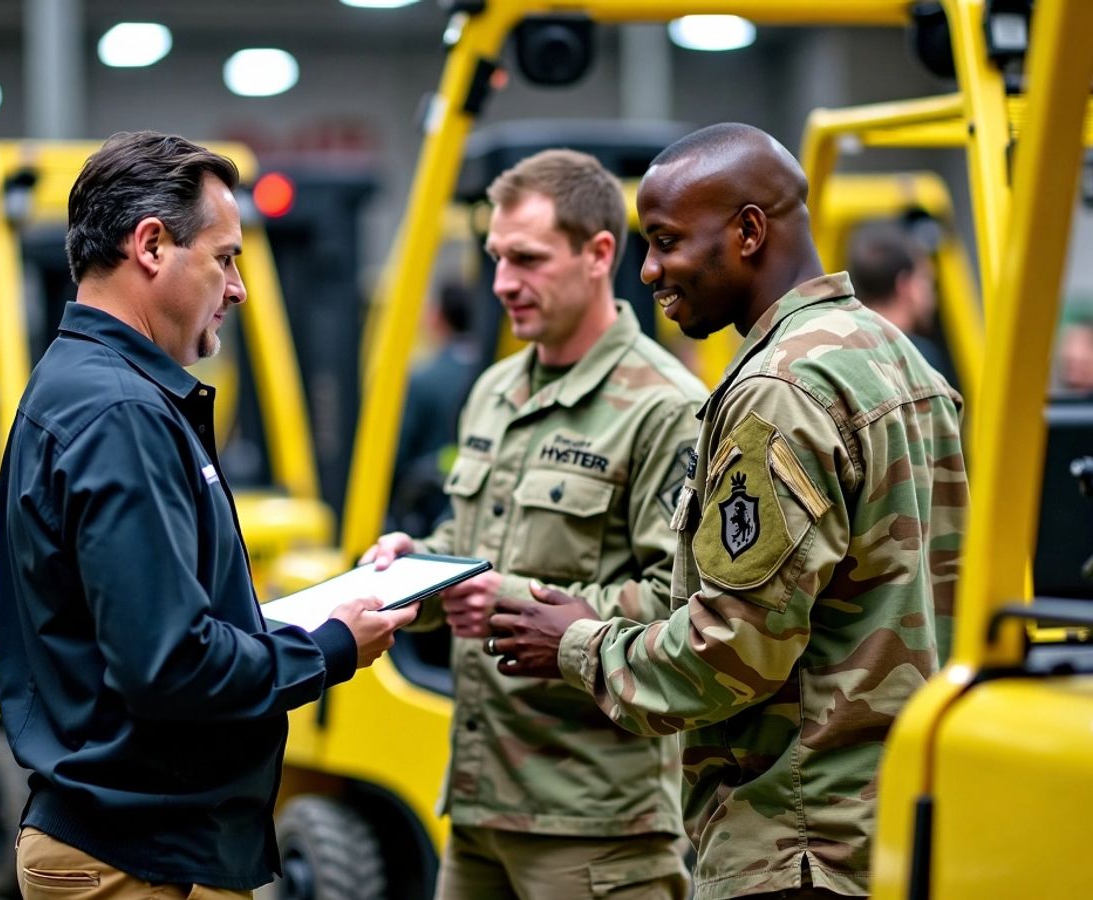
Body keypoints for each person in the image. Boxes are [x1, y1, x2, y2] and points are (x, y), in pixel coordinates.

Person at [487, 124, 969, 900]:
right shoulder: (896, 357)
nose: (649, 272)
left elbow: (733, 653)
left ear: (748, 231)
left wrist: (577, 644)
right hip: (896, 831)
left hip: (798, 845)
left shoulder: (777, 392)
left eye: (667, 242)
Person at [0, 131, 417, 899]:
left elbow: (161, 626)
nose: (239, 288)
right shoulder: (120, 411)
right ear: (151, 246)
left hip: (138, 841)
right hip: (139, 855)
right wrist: (329, 646)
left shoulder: (92, 387)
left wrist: (332, 605)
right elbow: (171, 664)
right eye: (225, 257)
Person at [364, 148, 708, 899]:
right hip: (481, 808)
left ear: (599, 255)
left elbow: (686, 612)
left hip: (593, 824)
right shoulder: (495, 391)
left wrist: (508, 597)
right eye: (494, 257)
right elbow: (472, 558)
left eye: (526, 258)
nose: (501, 284)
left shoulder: (665, 408)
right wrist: (414, 570)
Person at [389, 280, 481, 535]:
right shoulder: (491, 370)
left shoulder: (424, 379)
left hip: (425, 512)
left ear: (438, 316)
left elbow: (397, 454)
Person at [847, 219, 957, 387]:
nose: (932, 294)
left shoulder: (842, 349)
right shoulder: (920, 358)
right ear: (904, 285)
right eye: (926, 280)